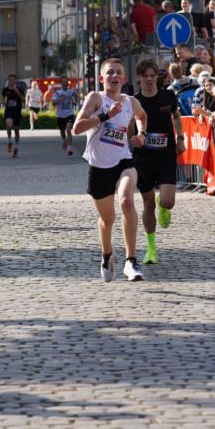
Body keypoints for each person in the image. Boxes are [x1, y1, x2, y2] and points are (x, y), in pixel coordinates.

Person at [72, 57, 148, 282]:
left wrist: (141, 134)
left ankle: (131, 261)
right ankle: (107, 255)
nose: (114, 76)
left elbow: (142, 116)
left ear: (124, 78)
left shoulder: (130, 101)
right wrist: (105, 116)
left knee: (126, 201)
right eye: (110, 73)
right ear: (102, 78)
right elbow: (77, 127)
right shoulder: (96, 98)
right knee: (107, 219)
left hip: (124, 160)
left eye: (118, 73)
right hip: (98, 166)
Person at [132, 58, 186, 266]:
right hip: (143, 158)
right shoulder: (134, 100)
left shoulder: (168, 96)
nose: (148, 79)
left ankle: (162, 206)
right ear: (139, 77)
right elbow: (129, 126)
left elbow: (177, 117)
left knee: (167, 202)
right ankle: (151, 249)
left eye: (152, 75)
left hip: (165, 156)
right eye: (145, 76)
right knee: (146, 203)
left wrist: (180, 139)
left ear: (157, 77)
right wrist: (130, 141)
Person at [47, 79, 77, 155]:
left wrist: (74, 100)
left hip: (69, 113)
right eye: (63, 82)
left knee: (68, 129)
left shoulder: (71, 91)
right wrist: (60, 99)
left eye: (66, 82)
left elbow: (75, 99)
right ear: (61, 83)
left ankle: (69, 148)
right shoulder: (57, 92)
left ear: (68, 83)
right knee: (62, 131)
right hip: (60, 115)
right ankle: (64, 140)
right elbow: (53, 103)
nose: (65, 83)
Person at [2, 74, 25, 157]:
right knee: (8, 124)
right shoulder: (5, 89)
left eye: (13, 80)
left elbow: (23, 100)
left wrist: (17, 92)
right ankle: (9, 141)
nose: (11, 81)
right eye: (10, 80)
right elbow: (2, 98)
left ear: (16, 81)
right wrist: (3, 102)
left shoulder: (20, 89)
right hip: (8, 111)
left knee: (16, 131)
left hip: (17, 112)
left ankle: (16, 148)